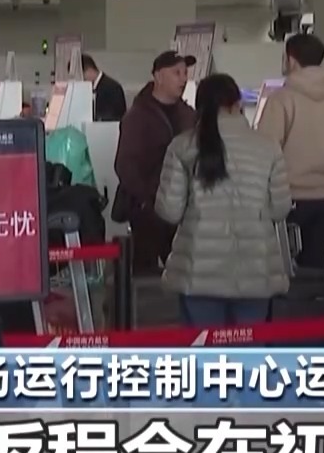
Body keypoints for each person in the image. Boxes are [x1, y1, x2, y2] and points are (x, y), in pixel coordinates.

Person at [155, 73, 292, 326]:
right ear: (237, 103)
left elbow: (170, 211)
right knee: (250, 347)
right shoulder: (268, 146)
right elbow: (280, 208)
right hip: (255, 269)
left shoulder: (182, 146)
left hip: (199, 272)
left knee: (203, 347)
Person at [257, 33, 324, 270]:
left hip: (288, 199)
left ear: (291, 60)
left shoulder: (281, 100)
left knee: (283, 269)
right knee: (317, 267)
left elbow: (264, 151)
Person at [112, 51, 198, 274]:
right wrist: (148, 199)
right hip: (148, 210)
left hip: (182, 206)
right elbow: (125, 165)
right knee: (145, 272)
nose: (183, 79)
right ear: (158, 76)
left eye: (185, 73)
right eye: (176, 73)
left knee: (183, 270)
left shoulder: (189, 115)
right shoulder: (137, 116)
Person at [82, 54, 127, 122]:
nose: (81, 80)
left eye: (81, 75)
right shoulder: (86, 89)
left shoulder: (113, 88)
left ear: (89, 70)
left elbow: (116, 116)